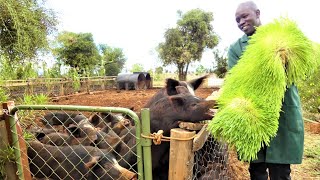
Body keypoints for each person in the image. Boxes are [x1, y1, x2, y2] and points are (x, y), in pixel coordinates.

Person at [227, 1, 304, 180]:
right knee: (257, 170)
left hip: (283, 113)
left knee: (281, 172)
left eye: (244, 16)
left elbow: (300, 70)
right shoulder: (236, 48)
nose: (240, 22)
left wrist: (285, 59)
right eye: (237, 19)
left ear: (257, 13)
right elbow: (235, 81)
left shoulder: (282, 37)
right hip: (252, 114)